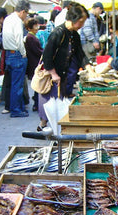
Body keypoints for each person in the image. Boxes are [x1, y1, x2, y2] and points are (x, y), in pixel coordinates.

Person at [38, 2, 97, 131]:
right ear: (74, 19)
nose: (82, 25)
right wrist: (53, 74)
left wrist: (89, 68)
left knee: (60, 101)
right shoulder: (58, 33)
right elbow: (47, 55)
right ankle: (43, 126)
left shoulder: (74, 35)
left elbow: (79, 54)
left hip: (63, 73)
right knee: (49, 101)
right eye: (81, 22)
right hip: (51, 73)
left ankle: (58, 128)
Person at [2, 0, 30, 118]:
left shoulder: (8, 19)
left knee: (13, 84)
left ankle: (19, 107)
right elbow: (19, 39)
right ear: (23, 11)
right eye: (26, 14)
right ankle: (16, 110)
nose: (26, 17)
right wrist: (24, 53)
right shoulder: (17, 21)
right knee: (17, 85)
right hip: (17, 54)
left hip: (9, 53)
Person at [24, 17, 43, 112]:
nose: (37, 27)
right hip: (34, 63)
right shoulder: (30, 37)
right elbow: (37, 51)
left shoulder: (31, 37)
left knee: (37, 84)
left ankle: (37, 103)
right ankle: (36, 103)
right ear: (30, 27)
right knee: (37, 84)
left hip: (34, 62)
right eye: (35, 25)